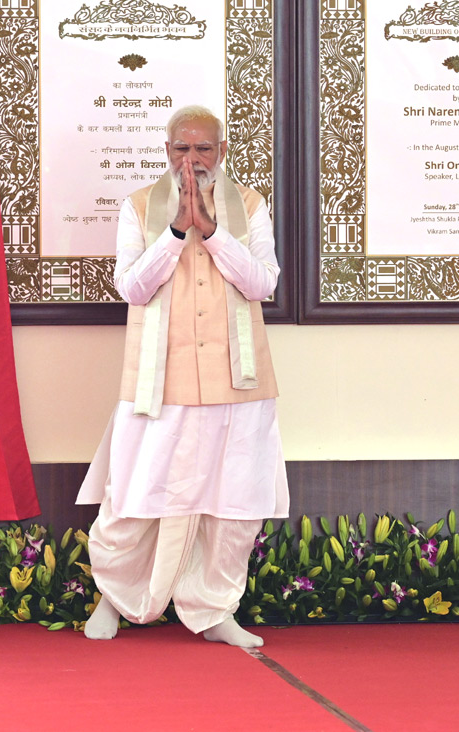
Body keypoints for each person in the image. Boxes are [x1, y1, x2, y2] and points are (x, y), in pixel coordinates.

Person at [77, 105, 288, 647]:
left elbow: (263, 284)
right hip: (158, 380)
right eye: (181, 149)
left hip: (236, 381)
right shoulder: (140, 207)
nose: (191, 161)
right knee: (135, 493)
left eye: (203, 149)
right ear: (166, 151)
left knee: (233, 503)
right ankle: (114, 599)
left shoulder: (251, 206)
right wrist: (175, 232)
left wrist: (213, 233)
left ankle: (216, 611)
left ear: (221, 153)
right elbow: (133, 289)